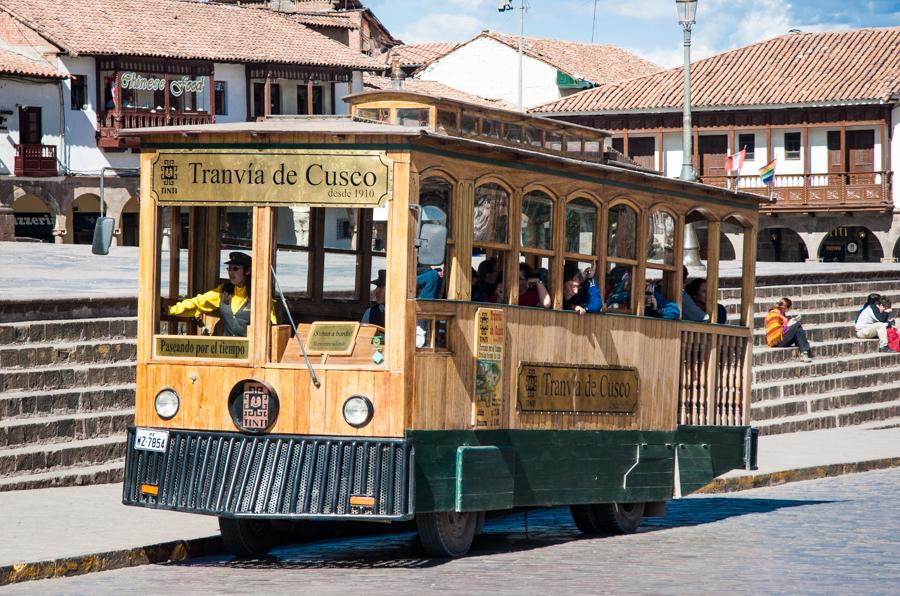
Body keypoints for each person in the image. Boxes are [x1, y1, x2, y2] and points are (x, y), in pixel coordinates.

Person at [166, 252, 273, 337]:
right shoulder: (223, 291)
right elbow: (198, 303)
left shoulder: (259, 295)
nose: (231, 272)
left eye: (235, 269)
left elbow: (272, 327)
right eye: (229, 269)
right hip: (226, 350)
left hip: (250, 353)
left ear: (248, 271)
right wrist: (170, 309)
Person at [764, 297, 812, 362]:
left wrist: (789, 324)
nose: (787, 310)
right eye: (788, 309)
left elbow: (783, 328)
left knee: (797, 328)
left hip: (781, 338)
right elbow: (777, 332)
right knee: (797, 326)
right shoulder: (773, 314)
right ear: (785, 307)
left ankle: (804, 349)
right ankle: (804, 351)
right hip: (777, 342)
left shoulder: (780, 313)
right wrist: (788, 325)